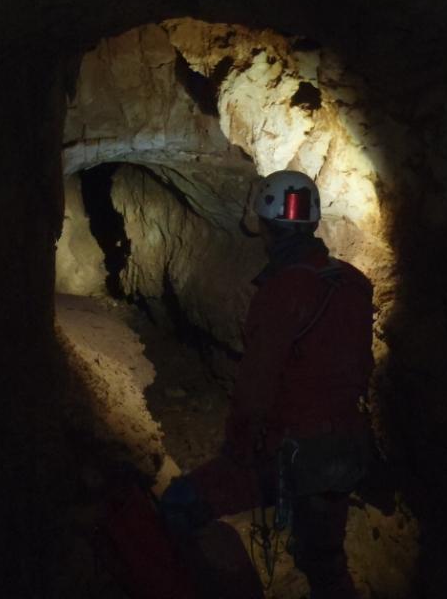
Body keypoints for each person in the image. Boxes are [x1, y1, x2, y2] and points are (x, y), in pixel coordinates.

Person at [160, 170, 375, 599]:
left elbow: (256, 387)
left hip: (290, 451)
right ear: (313, 222)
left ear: (264, 225)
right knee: (326, 565)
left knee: (180, 505)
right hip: (345, 450)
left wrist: (237, 453)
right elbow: (360, 367)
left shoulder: (282, 291)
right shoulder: (354, 282)